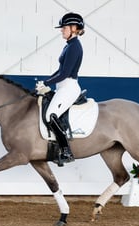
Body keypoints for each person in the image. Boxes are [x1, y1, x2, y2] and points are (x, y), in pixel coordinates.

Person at [36, 12, 85, 164]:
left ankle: (66, 150)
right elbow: (60, 70)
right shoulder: (69, 46)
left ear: (74, 28)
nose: (61, 30)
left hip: (69, 87)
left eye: (64, 27)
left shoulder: (74, 47)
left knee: (50, 115)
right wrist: (46, 81)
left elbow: (64, 74)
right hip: (63, 86)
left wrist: (47, 84)